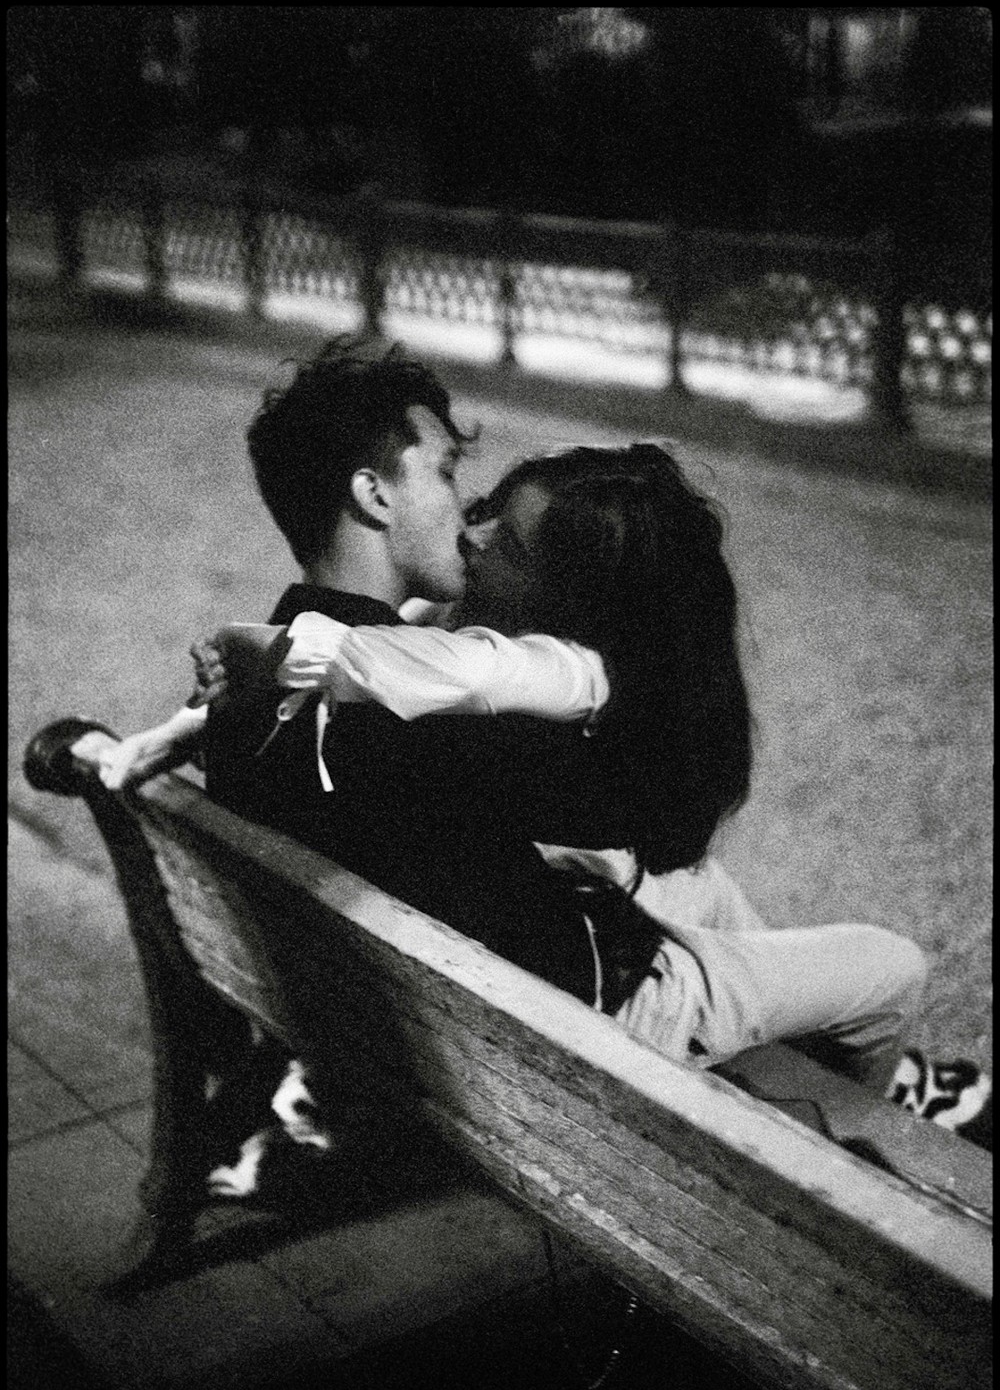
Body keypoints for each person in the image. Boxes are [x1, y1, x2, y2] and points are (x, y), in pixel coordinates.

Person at [83, 338, 989, 1151]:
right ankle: (848, 1141)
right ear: (374, 494)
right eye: (446, 473)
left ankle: (804, 1041)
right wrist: (618, 655)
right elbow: (654, 815)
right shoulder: (440, 728)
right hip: (573, 1029)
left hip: (418, 1012)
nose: (467, 519)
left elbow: (389, 682)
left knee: (704, 888)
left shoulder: (247, 692)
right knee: (890, 968)